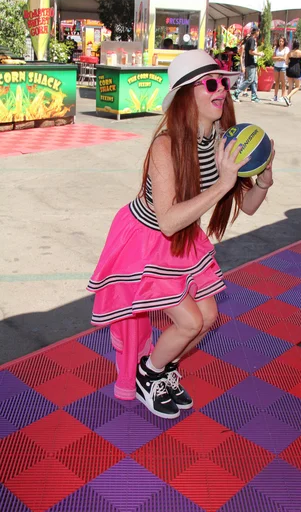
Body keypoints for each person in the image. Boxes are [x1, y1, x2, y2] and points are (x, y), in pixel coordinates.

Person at [87, 49, 275, 419]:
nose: (221, 89)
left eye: (223, 82)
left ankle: (162, 368)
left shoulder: (225, 142)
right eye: (211, 83)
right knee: (189, 321)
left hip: (182, 240)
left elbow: (249, 206)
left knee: (206, 319)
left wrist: (264, 183)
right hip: (144, 240)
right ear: (187, 95)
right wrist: (223, 184)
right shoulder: (165, 145)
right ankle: (148, 374)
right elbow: (167, 221)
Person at [232, 26, 263, 103]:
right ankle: (236, 92)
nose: (259, 33)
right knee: (250, 79)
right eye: (258, 32)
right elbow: (250, 52)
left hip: (252, 63)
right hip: (250, 62)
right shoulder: (252, 40)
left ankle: (254, 96)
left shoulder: (251, 40)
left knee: (254, 80)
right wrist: (259, 54)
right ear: (256, 32)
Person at [284, 40, 301, 106]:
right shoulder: (300, 52)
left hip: (290, 69)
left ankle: (288, 101)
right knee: (297, 87)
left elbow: (286, 62)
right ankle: (287, 97)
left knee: (290, 86)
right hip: (297, 70)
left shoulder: (290, 53)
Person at [272, 37, 290, 102]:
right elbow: (273, 58)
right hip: (276, 66)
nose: (281, 43)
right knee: (276, 82)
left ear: (284, 42)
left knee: (283, 82)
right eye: (280, 41)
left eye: (282, 41)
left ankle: (282, 96)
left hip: (283, 67)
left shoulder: (286, 49)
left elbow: (284, 58)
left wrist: (278, 58)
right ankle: (275, 96)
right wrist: (280, 58)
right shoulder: (276, 48)